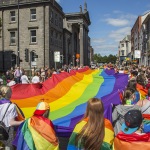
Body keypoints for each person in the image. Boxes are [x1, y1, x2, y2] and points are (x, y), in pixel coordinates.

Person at [0, 85, 24, 150]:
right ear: (8, 93)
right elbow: (11, 123)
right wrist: (24, 121)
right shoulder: (11, 106)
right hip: (8, 132)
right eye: (11, 91)